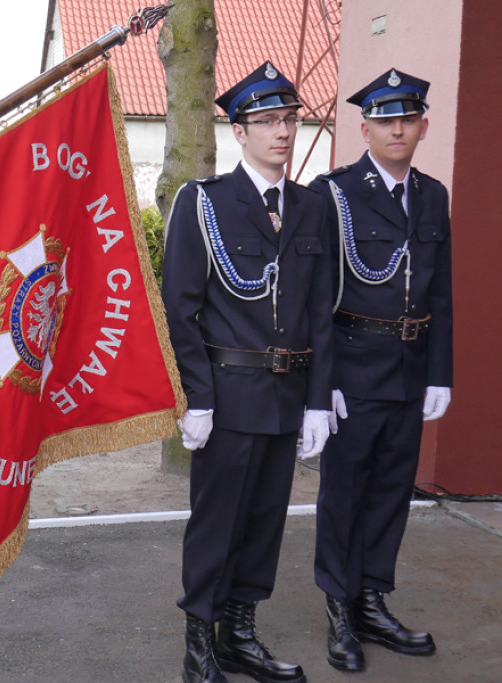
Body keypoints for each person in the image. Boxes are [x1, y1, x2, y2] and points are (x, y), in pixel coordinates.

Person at [161, 61, 334, 683]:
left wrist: (318, 401)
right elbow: (181, 307)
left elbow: (321, 311)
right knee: (217, 525)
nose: (283, 133)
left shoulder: (313, 208)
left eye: (289, 120)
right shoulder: (204, 203)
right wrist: (197, 397)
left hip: (287, 396)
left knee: (264, 523)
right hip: (229, 397)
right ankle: (199, 642)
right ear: (240, 132)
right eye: (267, 122)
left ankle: (239, 634)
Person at [309, 69, 452, 673]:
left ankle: (372, 598)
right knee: (345, 494)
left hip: (410, 366)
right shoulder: (332, 193)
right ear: (363, 127)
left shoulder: (432, 194)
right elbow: (314, 298)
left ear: (423, 125)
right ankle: (339, 607)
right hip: (354, 369)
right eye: (384, 120)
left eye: (407, 118)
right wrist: (325, 382)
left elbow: (440, 291)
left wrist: (441, 372)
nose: (397, 129)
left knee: (393, 491)